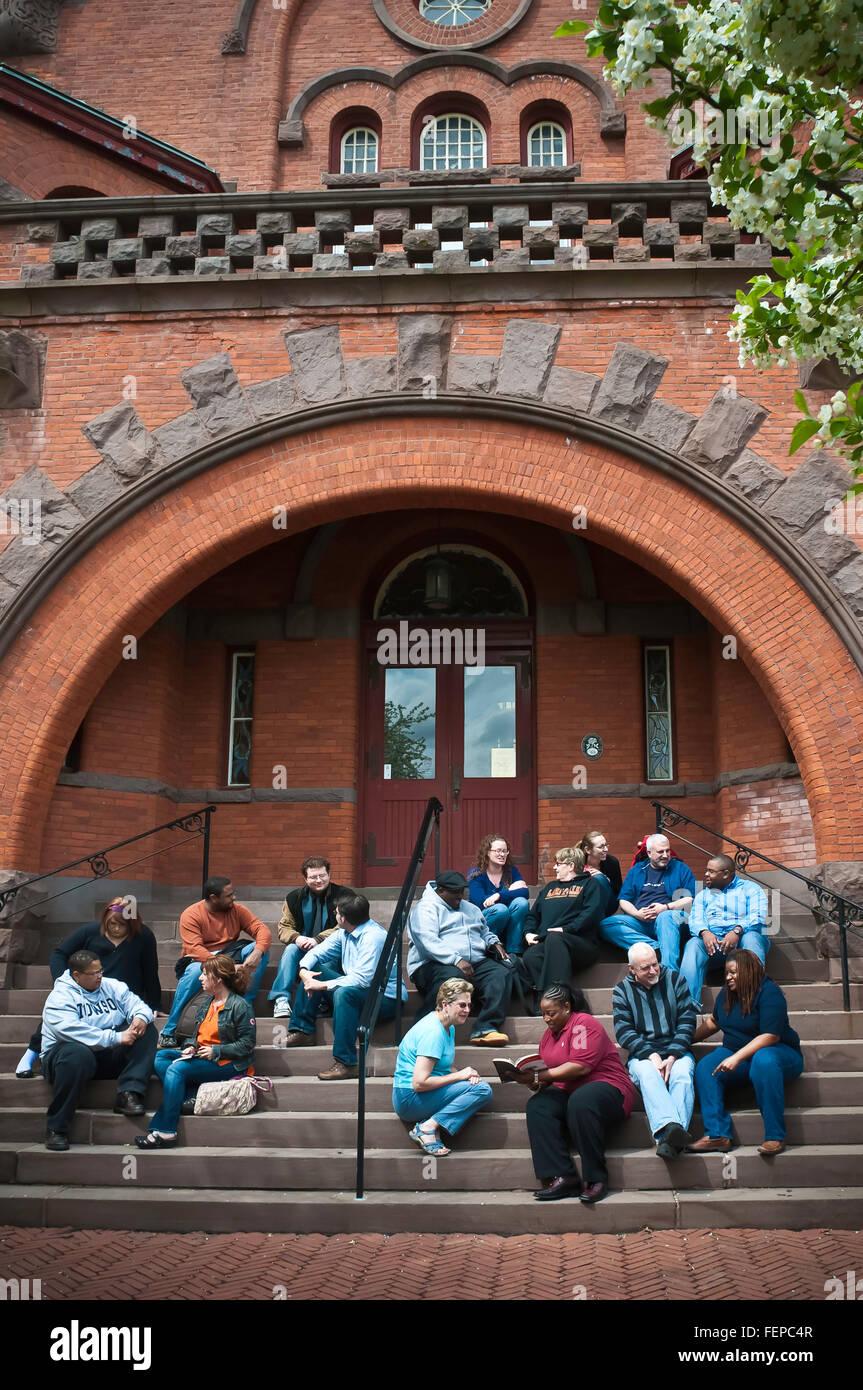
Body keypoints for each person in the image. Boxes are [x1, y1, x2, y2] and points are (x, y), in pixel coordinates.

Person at [513, 982, 636, 1203]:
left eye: (551, 1013)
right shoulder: (548, 1036)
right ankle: (563, 1177)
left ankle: (596, 1178)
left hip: (609, 1088)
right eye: (542, 1014)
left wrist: (541, 1076)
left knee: (581, 1100)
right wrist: (532, 1082)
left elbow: (581, 1067)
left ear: (567, 1007)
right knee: (538, 1105)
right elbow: (549, 1076)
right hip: (570, 1092)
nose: (546, 1019)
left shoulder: (582, 1023)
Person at [16, 899, 161, 1078]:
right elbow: (59, 953)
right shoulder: (90, 931)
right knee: (58, 1017)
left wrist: (154, 1003)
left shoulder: (144, 936)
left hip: (120, 996)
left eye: (121, 924)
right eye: (112, 923)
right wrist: (64, 982)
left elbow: (150, 970)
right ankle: (30, 1054)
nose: (115, 928)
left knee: (141, 1030)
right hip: (88, 988)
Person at [687, 949, 803, 1156]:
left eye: (733, 972)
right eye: (726, 973)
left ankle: (775, 1136)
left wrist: (736, 1057)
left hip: (779, 1054)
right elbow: (714, 1022)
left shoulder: (769, 993)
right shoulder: (728, 993)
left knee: (764, 1060)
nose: (728, 977)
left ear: (749, 972)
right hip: (738, 1054)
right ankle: (717, 1134)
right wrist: (687, 1040)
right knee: (705, 1067)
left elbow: (770, 1036)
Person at [40, 949, 157, 1151]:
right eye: (94, 973)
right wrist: (116, 1037)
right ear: (76, 975)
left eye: (101, 970)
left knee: (145, 1030)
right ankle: (57, 1129)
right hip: (65, 1059)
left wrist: (140, 1017)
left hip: (104, 1055)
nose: (100, 976)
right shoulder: (59, 997)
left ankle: (129, 1093)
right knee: (77, 1053)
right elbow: (74, 1032)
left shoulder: (111, 986)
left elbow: (138, 1005)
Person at [282, 892, 408, 1079]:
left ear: (343, 918)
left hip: (385, 999)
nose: (335, 914)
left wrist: (322, 985)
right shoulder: (344, 932)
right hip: (359, 992)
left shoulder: (374, 937)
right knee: (316, 968)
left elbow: (362, 979)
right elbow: (317, 953)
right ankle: (303, 1030)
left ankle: (347, 1063)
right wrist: (303, 971)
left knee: (344, 994)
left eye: (337, 912)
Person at [136, 953, 256, 1149]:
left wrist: (216, 1051)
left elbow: (247, 1044)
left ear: (217, 979)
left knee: (176, 1071)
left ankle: (166, 1131)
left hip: (229, 1064)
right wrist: (191, 1046)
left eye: (204, 974)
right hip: (203, 1057)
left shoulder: (240, 1006)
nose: (200, 978)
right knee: (160, 1057)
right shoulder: (206, 1003)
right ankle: (186, 1095)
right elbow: (196, 1034)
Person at [158, 877, 270, 1048]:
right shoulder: (191, 914)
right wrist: (227, 967)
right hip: (199, 960)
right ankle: (170, 1029)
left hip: (230, 955)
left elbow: (261, 929)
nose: (234, 898)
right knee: (195, 972)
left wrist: (258, 951)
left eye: (234, 893)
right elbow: (195, 949)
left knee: (259, 950)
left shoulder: (237, 910)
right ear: (213, 898)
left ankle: (244, 1005)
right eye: (229, 895)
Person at [407, 869, 512, 1046]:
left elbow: (484, 931)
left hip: (473, 963)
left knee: (500, 973)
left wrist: (494, 943)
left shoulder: (470, 908)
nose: (459, 897)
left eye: (462, 892)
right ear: (440, 891)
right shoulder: (425, 909)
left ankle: (485, 1028)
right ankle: (422, 1029)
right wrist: (455, 959)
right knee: (452, 977)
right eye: (455, 893)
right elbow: (427, 941)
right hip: (431, 964)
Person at [612, 943, 697, 1157]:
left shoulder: (675, 979)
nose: (653, 971)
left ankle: (668, 1140)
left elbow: (687, 1021)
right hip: (643, 1053)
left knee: (683, 1076)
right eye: (645, 968)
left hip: (677, 1050)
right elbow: (623, 1031)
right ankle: (673, 1133)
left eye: (655, 965)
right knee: (649, 1076)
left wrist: (672, 1055)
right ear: (631, 969)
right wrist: (651, 1055)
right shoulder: (622, 990)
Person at [392, 978, 493, 1155]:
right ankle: (427, 1127)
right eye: (462, 1005)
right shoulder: (433, 1032)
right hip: (409, 1097)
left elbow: (445, 1066)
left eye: (469, 1005)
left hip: (421, 1093)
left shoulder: (448, 1026)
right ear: (445, 1004)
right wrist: (460, 1076)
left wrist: (467, 1077)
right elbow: (419, 1083)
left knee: (477, 1086)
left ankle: (430, 1124)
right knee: (482, 1090)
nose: (467, 1010)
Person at [269, 856, 352, 1020]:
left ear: (329, 874)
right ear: (305, 878)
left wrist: (318, 940)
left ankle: (321, 999)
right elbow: (284, 926)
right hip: (303, 946)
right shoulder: (294, 898)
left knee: (324, 960)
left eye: (322, 875)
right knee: (291, 949)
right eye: (313, 877)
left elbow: (345, 925)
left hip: (333, 948)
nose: (319, 880)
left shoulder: (344, 895)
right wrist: (296, 938)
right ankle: (281, 999)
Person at [681, 855, 769, 1008]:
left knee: (752, 938)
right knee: (693, 944)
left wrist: (737, 930)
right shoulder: (702, 895)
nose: (706, 874)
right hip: (714, 946)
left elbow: (759, 915)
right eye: (706, 871)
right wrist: (704, 932)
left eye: (711, 871)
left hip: (742, 942)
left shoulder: (750, 889)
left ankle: (754, 1001)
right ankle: (687, 1007)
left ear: (726, 874)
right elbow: (695, 919)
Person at [518, 847, 605, 1000]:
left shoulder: (590, 885)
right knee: (531, 955)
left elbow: (590, 914)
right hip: (550, 943)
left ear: (571, 866)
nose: (554, 867)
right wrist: (528, 932)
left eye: (558, 863)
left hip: (580, 943)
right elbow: (533, 916)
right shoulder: (550, 888)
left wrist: (565, 929)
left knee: (555, 937)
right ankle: (548, 998)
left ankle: (557, 999)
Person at [600, 833, 695, 970]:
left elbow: (690, 898)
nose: (665, 855)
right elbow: (624, 900)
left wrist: (666, 907)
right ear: (649, 853)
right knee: (606, 924)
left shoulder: (680, 868)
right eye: (660, 851)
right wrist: (637, 914)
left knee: (665, 917)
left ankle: (669, 972)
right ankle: (655, 949)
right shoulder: (637, 870)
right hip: (642, 921)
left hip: (672, 919)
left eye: (667, 850)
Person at [467, 833, 530, 955]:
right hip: (484, 921)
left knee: (521, 903)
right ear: (487, 852)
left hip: (506, 919)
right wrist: (509, 892)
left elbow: (525, 892)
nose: (502, 854)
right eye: (498, 851)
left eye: (505, 851)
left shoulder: (511, 871)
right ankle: (491, 947)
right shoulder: (476, 873)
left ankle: (514, 951)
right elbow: (481, 902)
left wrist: (498, 896)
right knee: (500, 909)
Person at [577, 830, 622, 915]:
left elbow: (618, 890)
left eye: (606, 845)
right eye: (601, 847)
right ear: (588, 850)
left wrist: (604, 879)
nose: (606, 849)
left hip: (607, 903)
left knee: (599, 878)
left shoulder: (612, 862)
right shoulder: (578, 863)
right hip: (583, 903)